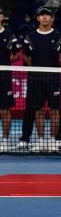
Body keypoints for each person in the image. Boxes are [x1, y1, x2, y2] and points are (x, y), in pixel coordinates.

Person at [19, 7, 61, 152]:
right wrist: (35, 68)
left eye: (48, 15)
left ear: (52, 19)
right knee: (38, 111)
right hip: (35, 79)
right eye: (42, 15)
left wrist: (53, 68)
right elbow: (25, 56)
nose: (45, 18)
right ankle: (40, 141)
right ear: (38, 18)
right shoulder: (30, 37)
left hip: (53, 79)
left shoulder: (59, 36)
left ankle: (54, 141)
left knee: (54, 111)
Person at [0, 9, 20, 152]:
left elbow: (17, 55)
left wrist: (5, 61)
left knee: (5, 110)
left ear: (2, 17)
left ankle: (5, 142)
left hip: (4, 76)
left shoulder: (9, 36)